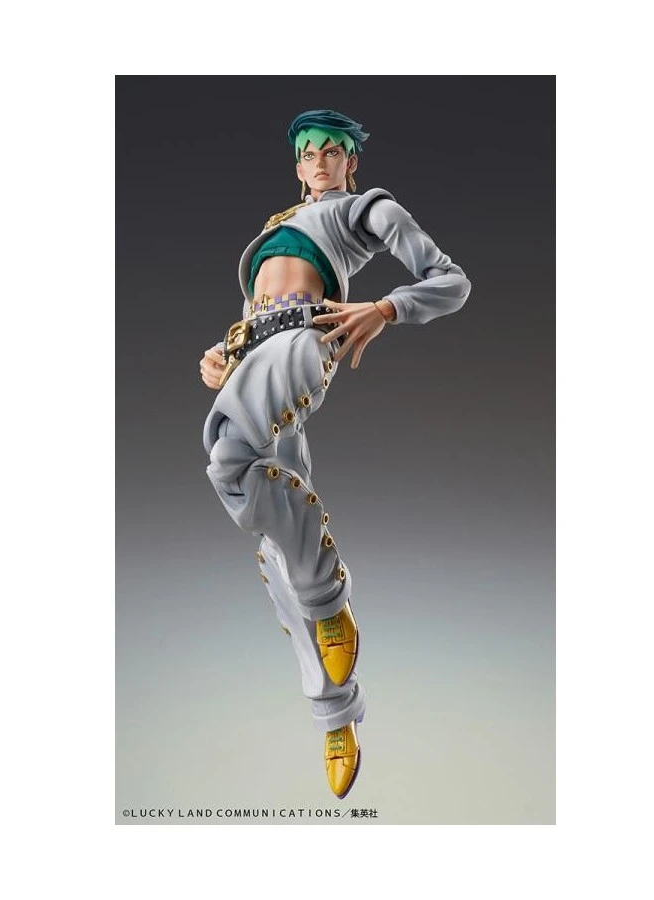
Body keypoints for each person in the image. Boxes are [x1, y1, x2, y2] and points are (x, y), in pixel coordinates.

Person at [199, 109, 471, 798]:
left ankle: (329, 604)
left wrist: (385, 308)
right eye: (308, 152)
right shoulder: (274, 225)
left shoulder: (362, 209)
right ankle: (336, 716)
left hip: (304, 342)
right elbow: (251, 313)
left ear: (352, 161)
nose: (320, 162)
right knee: (276, 551)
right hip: (253, 356)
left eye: (333, 151)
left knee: (229, 460)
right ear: (296, 165)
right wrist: (221, 354)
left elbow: (450, 279)